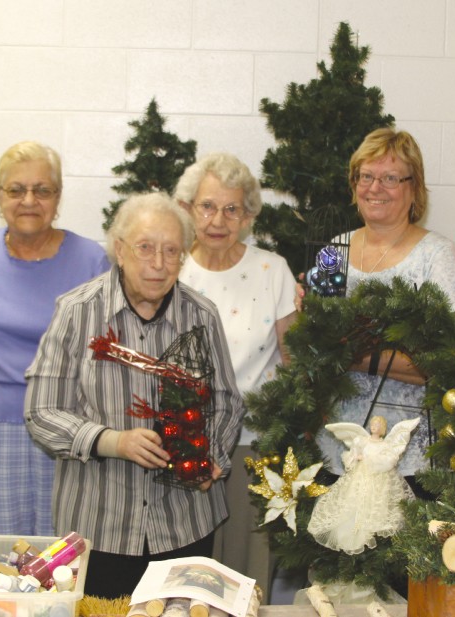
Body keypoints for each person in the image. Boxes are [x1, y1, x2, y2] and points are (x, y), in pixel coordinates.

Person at [24, 192, 244, 600]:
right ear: (120, 251)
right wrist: (113, 441)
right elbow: (40, 412)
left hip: (184, 525)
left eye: (171, 251)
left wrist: (208, 454)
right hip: (98, 528)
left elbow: (228, 401)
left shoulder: (201, 316)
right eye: (145, 249)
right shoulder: (77, 311)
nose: (159, 264)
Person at [0, 141, 109, 535]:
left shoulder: (93, 261)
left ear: (58, 197)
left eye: (43, 190)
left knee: (63, 560)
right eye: (16, 190)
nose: (29, 201)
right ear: (0, 196)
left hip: (68, 432)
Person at [316, 128, 455, 490]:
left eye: (390, 178)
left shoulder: (438, 256)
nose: (375, 188)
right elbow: (312, 343)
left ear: (413, 187)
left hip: (409, 459)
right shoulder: (334, 250)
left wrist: (359, 357)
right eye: (366, 176)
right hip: (336, 450)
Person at [173, 153, 296, 600]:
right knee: (180, 575)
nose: (218, 220)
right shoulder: (170, 266)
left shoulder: (272, 270)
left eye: (232, 209)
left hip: (251, 444)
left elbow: (293, 360)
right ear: (187, 208)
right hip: (178, 443)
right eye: (207, 206)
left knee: (244, 576)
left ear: (248, 217)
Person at [308, 416, 420, 554]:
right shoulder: (362, 441)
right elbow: (352, 456)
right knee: (354, 499)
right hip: (360, 476)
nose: (374, 426)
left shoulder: (385, 445)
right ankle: (352, 532)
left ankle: (370, 530)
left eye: (378, 424)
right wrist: (355, 457)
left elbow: (389, 461)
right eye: (373, 423)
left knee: (376, 502)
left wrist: (369, 459)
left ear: (383, 428)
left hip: (378, 478)